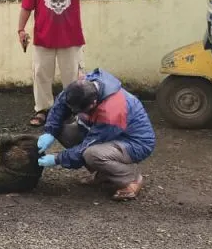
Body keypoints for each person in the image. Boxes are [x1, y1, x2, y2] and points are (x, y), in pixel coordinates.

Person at [37, 69, 155, 201]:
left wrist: (58, 159)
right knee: (62, 130)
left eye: (82, 109)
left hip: (135, 143)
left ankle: (131, 178)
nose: (75, 112)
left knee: (91, 154)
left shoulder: (111, 112)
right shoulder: (81, 87)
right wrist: (50, 131)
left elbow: (86, 146)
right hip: (106, 134)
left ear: (93, 103)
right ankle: (105, 174)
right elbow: (61, 104)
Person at [18, 0, 97, 127]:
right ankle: (42, 110)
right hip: (43, 37)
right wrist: (20, 29)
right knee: (41, 76)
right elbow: (27, 6)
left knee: (73, 78)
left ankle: (71, 111)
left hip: (71, 37)